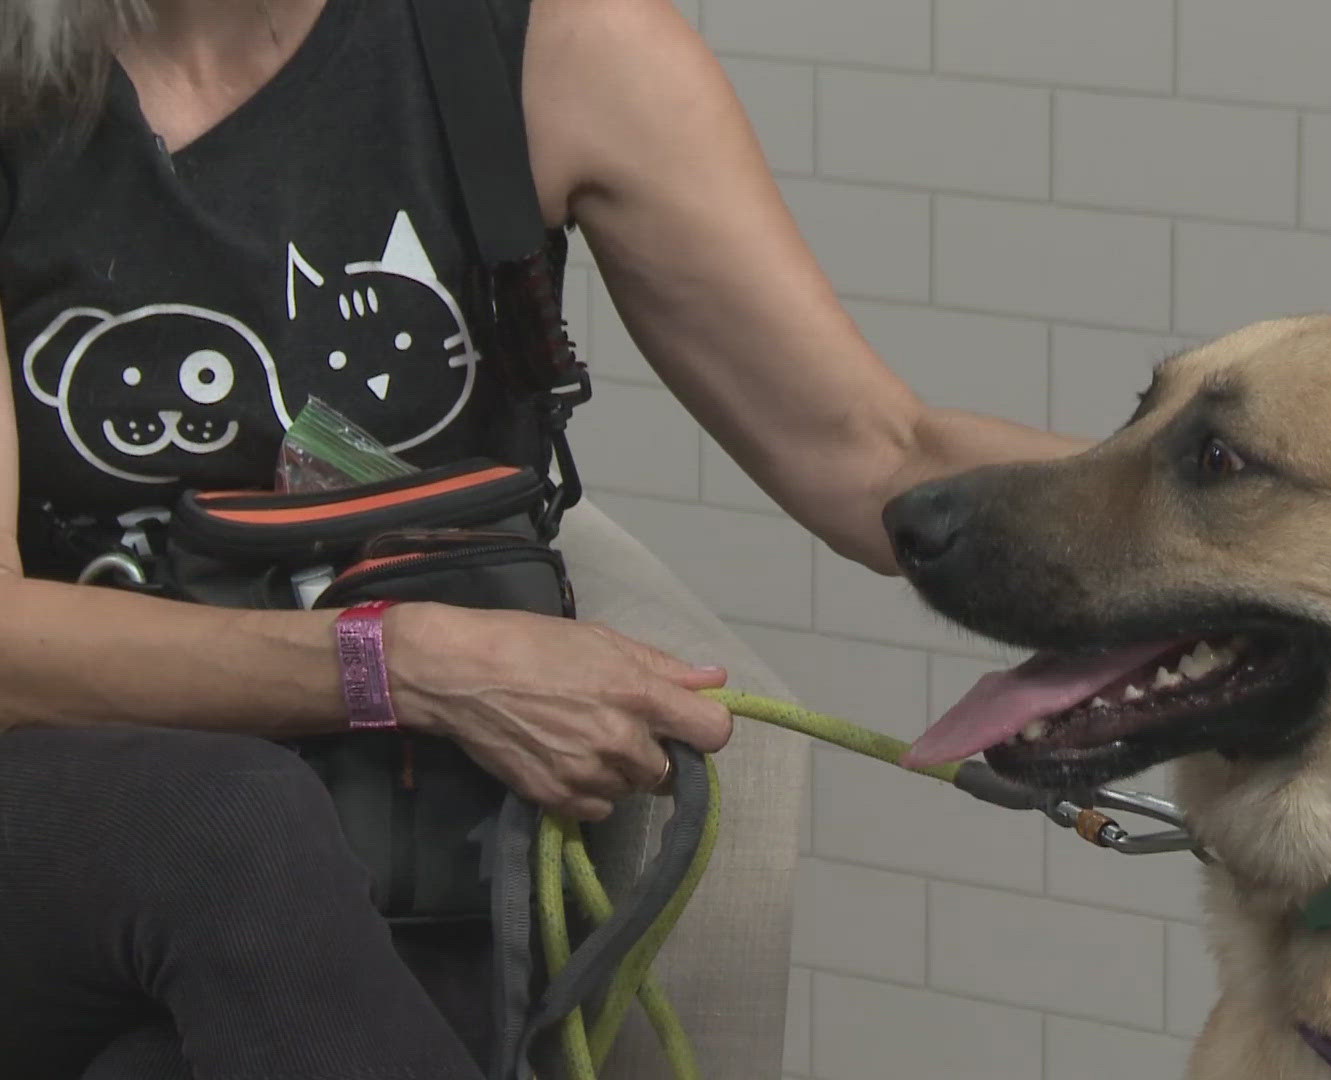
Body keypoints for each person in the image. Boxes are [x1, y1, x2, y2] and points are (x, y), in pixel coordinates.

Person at [0, 1, 1083, 1076]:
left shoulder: (545, 48)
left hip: (385, 852)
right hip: (66, 805)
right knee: (230, 821)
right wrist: (404, 662)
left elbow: (874, 452)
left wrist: (1213, 533)